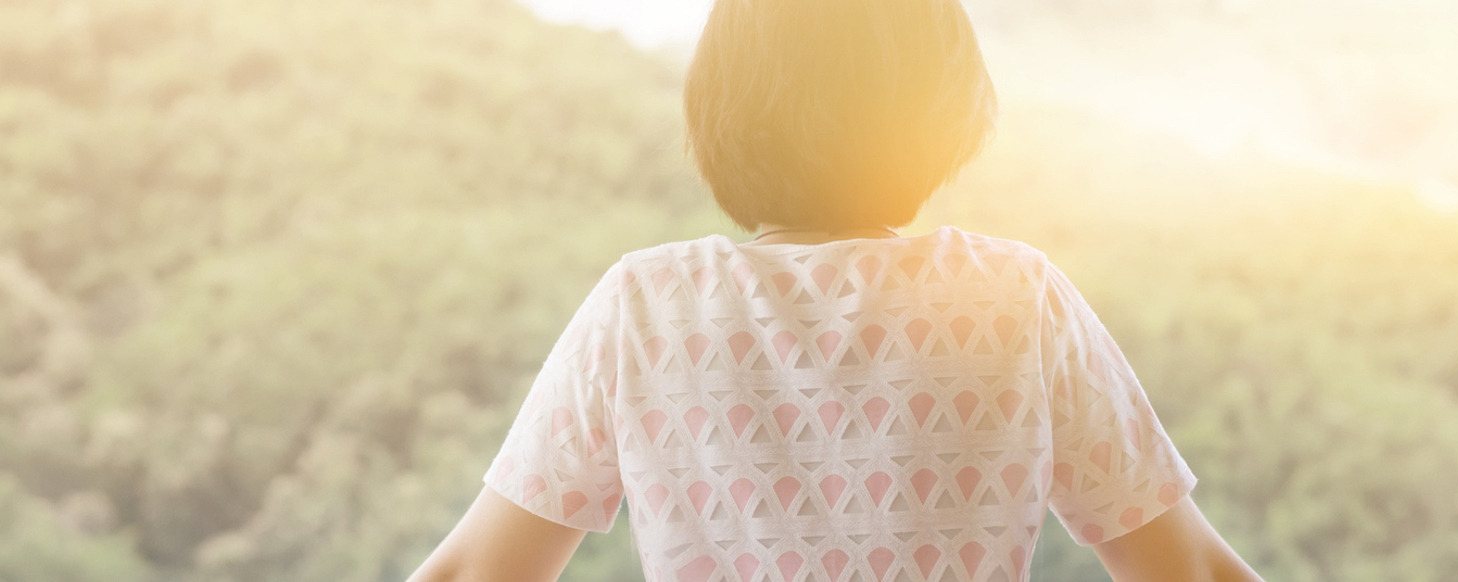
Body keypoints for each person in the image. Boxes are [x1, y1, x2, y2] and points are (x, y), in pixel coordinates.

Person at [407, 0, 1264, 580]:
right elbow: (1190, 572)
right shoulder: (1013, 299)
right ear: (939, 111)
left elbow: (475, 573)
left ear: (722, 106)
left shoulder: (645, 307)